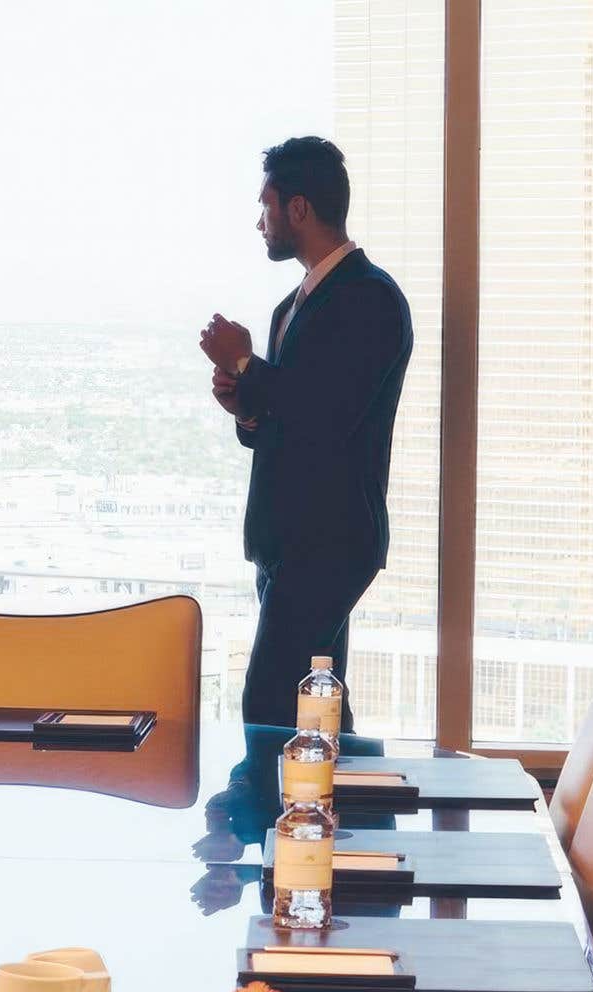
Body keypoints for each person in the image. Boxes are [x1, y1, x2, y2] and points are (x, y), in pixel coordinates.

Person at [199, 136, 412, 730]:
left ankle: (272, 821)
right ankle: (338, 819)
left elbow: (328, 415)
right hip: (284, 540)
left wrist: (246, 365)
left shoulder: (372, 299)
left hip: (333, 539)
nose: (259, 222)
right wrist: (245, 406)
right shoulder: (288, 308)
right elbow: (281, 427)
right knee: (317, 703)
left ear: (298, 209)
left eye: (265, 206)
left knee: (268, 699)